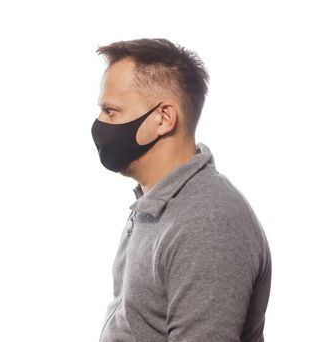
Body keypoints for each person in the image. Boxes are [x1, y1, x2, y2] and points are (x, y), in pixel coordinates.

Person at [91, 38, 271, 341]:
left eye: (111, 111)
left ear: (163, 118)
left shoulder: (208, 223)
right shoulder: (157, 202)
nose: (98, 125)